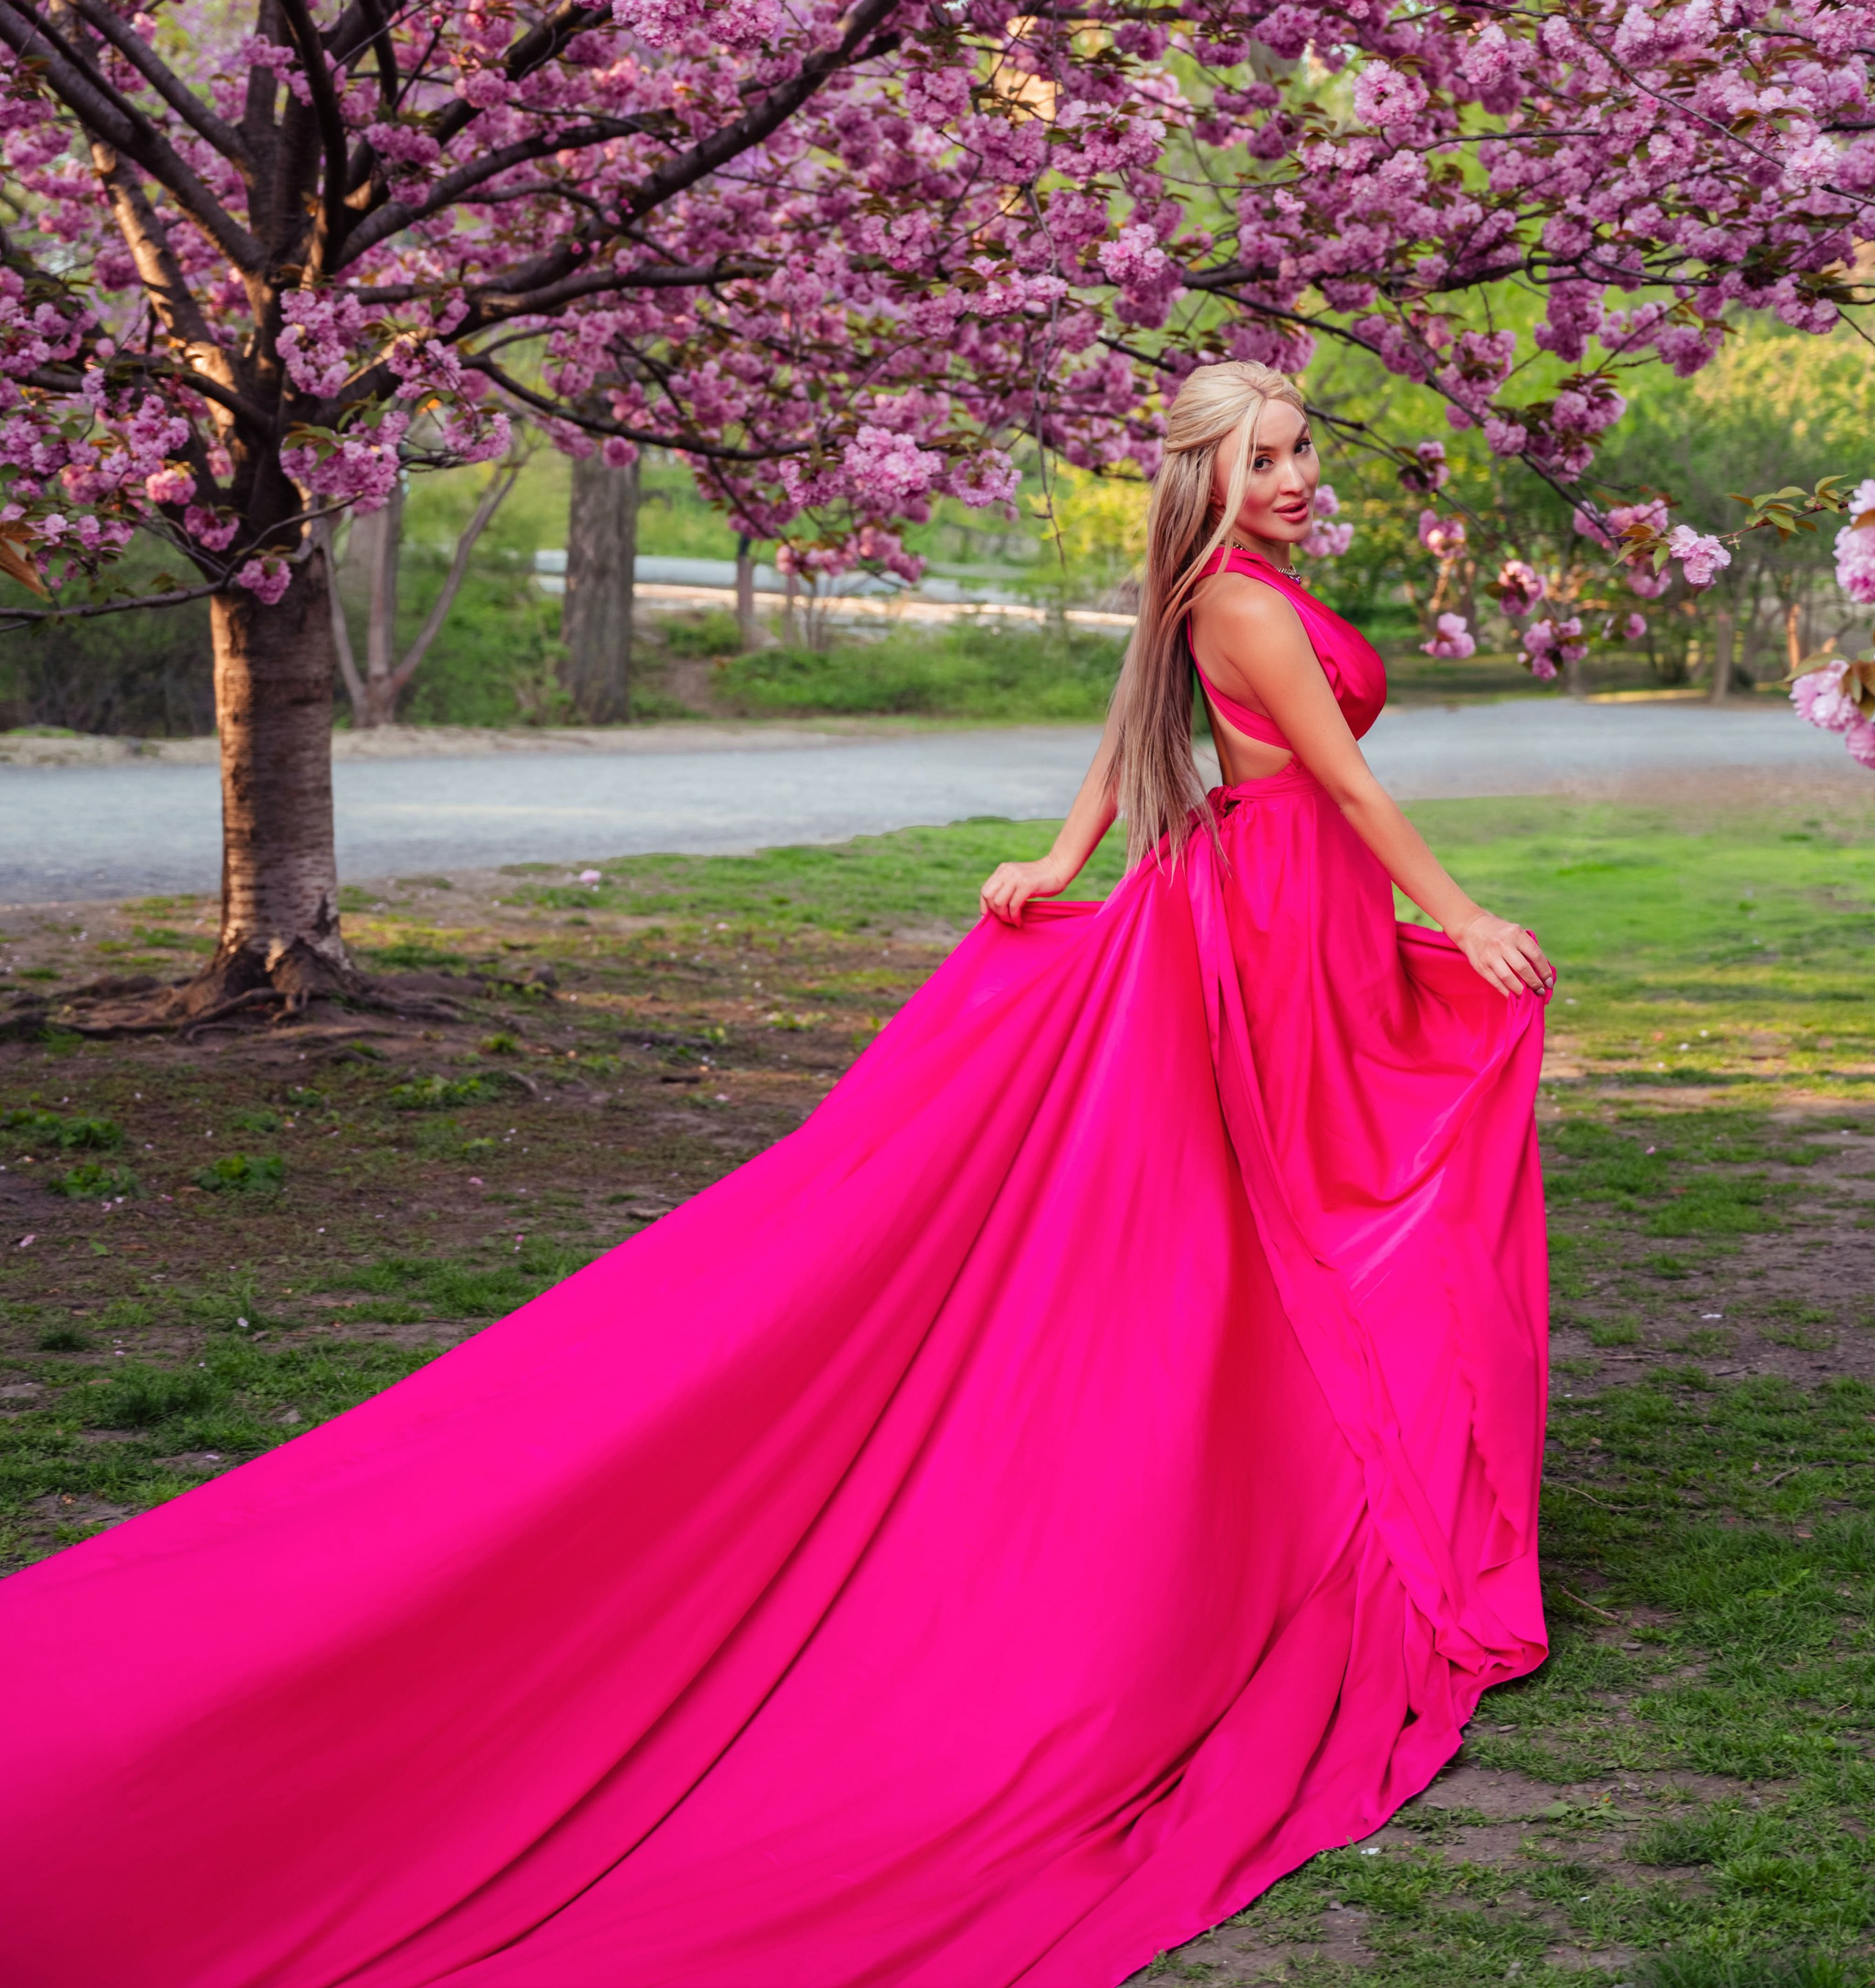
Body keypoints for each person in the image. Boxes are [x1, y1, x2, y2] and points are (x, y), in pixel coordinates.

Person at [0, 361, 1552, 1988]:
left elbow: (1149, 735)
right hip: (1269, 916)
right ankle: (1279, 1490)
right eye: (1266, 456)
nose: (1298, 477)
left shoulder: (1229, 590)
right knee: (1280, 1199)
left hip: (1285, 907)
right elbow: (1336, 778)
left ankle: (1305, 1461)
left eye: (1300, 452)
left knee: (1295, 1196)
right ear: (1207, 475)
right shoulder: (1231, 600)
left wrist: (1073, 852)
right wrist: (1455, 915)